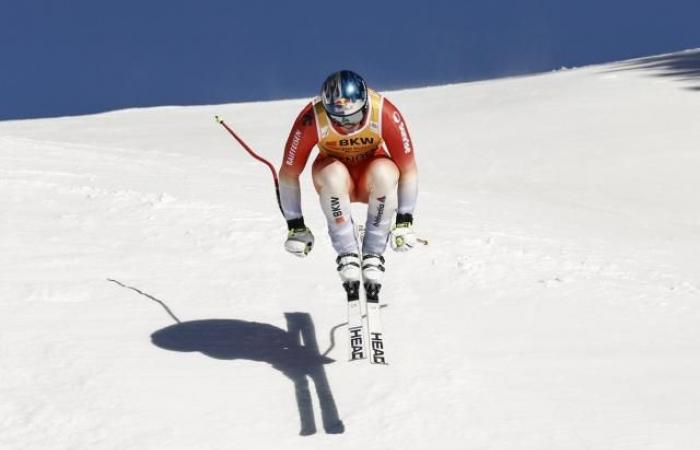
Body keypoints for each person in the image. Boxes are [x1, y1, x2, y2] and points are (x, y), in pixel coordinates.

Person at [278, 70, 418, 288]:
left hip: (369, 178)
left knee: (385, 173)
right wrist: (296, 225)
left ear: (364, 106)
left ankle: (373, 251)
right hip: (335, 178)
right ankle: (347, 252)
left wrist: (404, 221)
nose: (347, 126)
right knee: (333, 176)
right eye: (337, 118)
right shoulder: (312, 118)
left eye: (353, 117)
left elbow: (408, 168)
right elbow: (289, 173)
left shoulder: (382, 112)